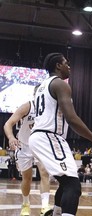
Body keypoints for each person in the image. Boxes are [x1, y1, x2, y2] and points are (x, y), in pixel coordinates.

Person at [28, 52, 92, 216]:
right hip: (48, 136)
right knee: (73, 185)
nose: (69, 66)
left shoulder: (43, 85)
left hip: (43, 136)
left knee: (65, 183)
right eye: (66, 63)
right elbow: (71, 118)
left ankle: (55, 213)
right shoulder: (60, 84)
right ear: (58, 66)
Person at [4, 85, 53, 216]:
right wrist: (10, 137)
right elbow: (8, 124)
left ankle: (45, 206)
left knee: (44, 173)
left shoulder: (50, 108)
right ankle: (25, 204)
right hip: (24, 145)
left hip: (40, 145)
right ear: (35, 94)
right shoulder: (28, 106)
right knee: (27, 178)